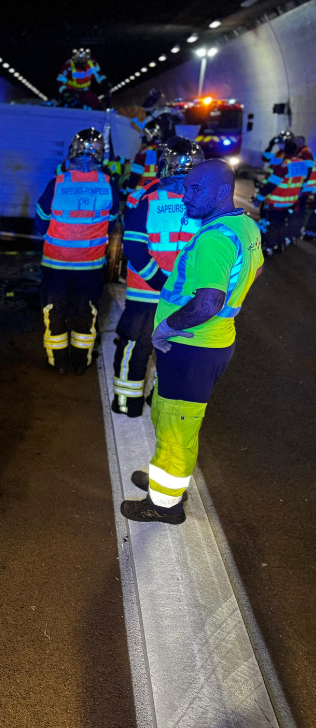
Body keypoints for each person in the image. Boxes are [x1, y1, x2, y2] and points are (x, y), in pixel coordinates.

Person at [122, 160, 263, 524]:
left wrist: (167, 326)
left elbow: (207, 302)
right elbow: (257, 268)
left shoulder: (214, 239)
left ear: (221, 192)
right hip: (210, 343)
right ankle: (163, 481)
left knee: (176, 427)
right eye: (185, 188)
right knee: (168, 415)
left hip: (191, 345)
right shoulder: (244, 224)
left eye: (195, 189)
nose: (185, 197)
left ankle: (164, 504)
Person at [112, 138, 204, 417]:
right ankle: (159, 403)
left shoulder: (144, 196)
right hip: (183, 296)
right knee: (175, 352)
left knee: (133, 346)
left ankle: (128, 403)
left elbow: (135, 248)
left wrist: (158, 282)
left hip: (145, 291)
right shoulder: (207, 202)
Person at [35, 129, 121, 374]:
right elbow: (111, 223)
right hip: (90, 266)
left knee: (55, 312)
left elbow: (40, 221)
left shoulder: (58, 183)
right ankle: (81, 363)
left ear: (72, 152)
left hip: (56, 264)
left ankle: (58, 362)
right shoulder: (109, 185)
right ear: (100, 155)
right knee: (86, 313)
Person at [254, 138, 307, 254]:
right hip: (291, 201)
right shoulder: (301, 163)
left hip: (277, 201)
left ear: (285, 150)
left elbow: (271, 185)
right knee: (282, 223)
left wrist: (259, 198)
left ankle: (269, 247)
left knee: (272, 224)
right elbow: (302, 182)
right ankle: (281, 245)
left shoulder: (284, 166)